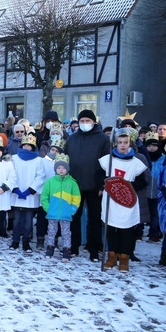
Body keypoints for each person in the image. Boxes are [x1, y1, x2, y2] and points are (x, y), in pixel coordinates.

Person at [99, 128, 149, 272]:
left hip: (128, 201)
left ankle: (124, 258)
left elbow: (143, 181)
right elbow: (98, 176)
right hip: (111, 200)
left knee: (126, 231)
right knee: (111, 229)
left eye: (125, 142)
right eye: (120, 142)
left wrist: (127, 186)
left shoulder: (136, 162)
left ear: (130, 144)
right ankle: (112, 256)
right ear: (115, 144)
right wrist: (105, 183)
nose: (122, 145)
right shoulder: (107, 160)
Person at [64, 109, 111, 261]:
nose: (84, 124)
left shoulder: (103, 139)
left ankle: (93, 248)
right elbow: (66, 160)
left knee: (94, 218)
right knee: (74, 217)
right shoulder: (72, 139)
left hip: (94, 185)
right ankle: (74, 246)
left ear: (94, 122)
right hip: (75, 185)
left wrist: (102, 185)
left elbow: (107, 164)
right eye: (82, 121)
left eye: (87, 121)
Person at [9, 134, 46, 252]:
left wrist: (30, 190)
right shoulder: (14, 158)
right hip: (17, 194)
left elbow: (40, 177)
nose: (26, 147)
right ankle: (15, 241)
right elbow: (10, 174)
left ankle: (26, 242)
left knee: (28, 222)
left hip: (30, 196)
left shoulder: (39, 160)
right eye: (24, 145)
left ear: (33, 147)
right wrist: (15, 188)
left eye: (29, 146)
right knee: (17, 221)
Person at [41, 154, 80, 261]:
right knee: (51, 232)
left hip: (66, 214)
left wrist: (72, 210)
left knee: (66, 233)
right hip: (52, 213)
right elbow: (44, 196)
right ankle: (50, 248)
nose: (61, 170)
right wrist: (47, 208)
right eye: (59, 168)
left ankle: (67, 250)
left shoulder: (72, 183)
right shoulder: (50, 182)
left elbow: (76, 198)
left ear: (67, 169)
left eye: (63, 168)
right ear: (55, 169)